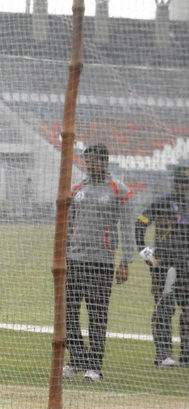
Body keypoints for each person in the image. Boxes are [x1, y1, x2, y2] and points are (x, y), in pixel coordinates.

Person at [63, 144, 136, 382]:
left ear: (105, 162)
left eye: (95, 161)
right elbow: (67, 226)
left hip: (101, 262)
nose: (90, 165)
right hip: (74, 260)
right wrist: (62, 255)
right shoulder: (77, 188)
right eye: (88, 161)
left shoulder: (119, 189)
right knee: (67, 313)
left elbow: (127, 229)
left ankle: (95, 366)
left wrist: (125, 261)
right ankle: (76, 358)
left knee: (97, 315)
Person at [135, 165, 189, 367]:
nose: (184, 186)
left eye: (187, 182)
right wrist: (143, 250)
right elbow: (140, 223)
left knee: (188, 310)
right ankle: (163, 355)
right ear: (174, 183)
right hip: (162, 265)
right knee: (164, 309)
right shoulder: (163, 203)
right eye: (181, 182)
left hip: (186, 265)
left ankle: (187, 355)